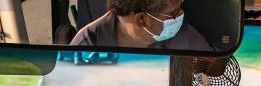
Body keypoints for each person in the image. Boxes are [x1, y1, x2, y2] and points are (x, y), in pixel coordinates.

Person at [70, 0, 212, 51]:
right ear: (142, 20)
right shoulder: (86, 47)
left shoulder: (184, 37)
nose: (180, 15)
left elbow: (214, 71)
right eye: (173, 13)